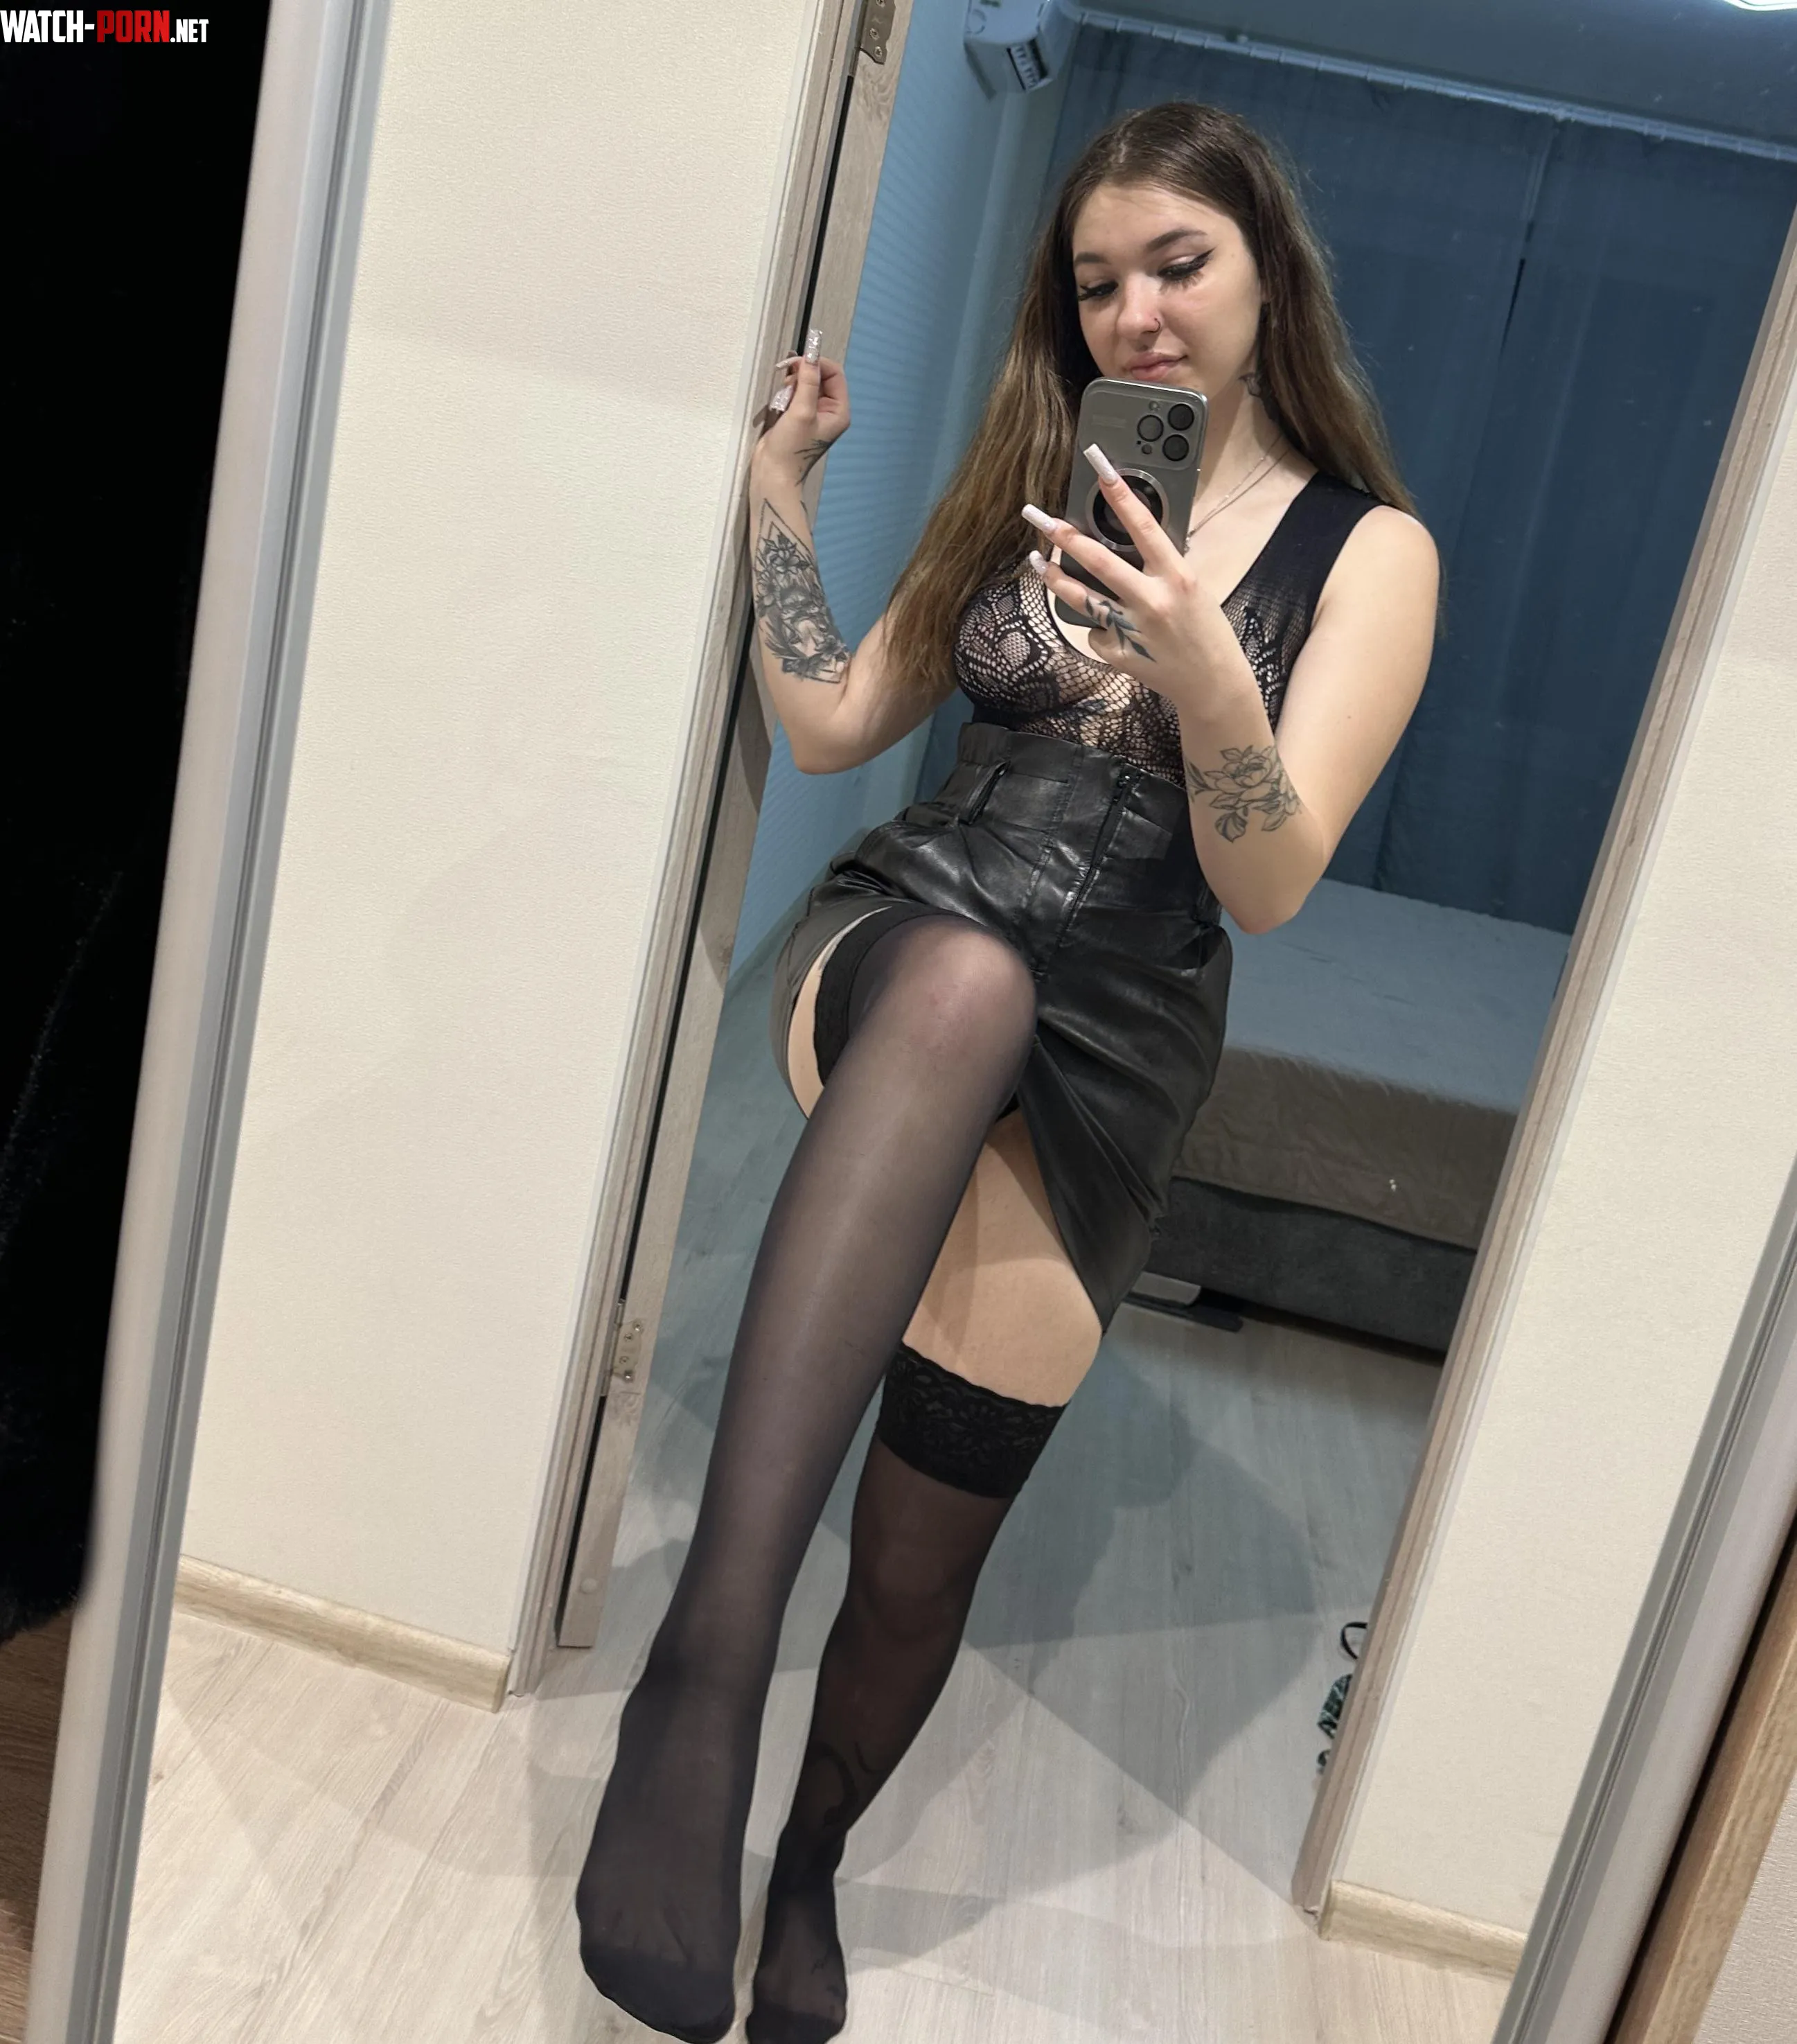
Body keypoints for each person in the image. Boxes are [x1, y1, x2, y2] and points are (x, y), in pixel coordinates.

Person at [574, 99, 1438, 2044]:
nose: (1137, 313)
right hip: (921, 934)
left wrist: (1206, 669)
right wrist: (780, 494)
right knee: (966, 983)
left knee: (918, 1553)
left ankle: (805, 1861)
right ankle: (704, 1675)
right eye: (1097, 280)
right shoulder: (1035, 476)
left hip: (1119, 1046)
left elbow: (1269, 881)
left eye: (1179, 265)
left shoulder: (1373, 554)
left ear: (1269, 273)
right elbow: (832, 720)